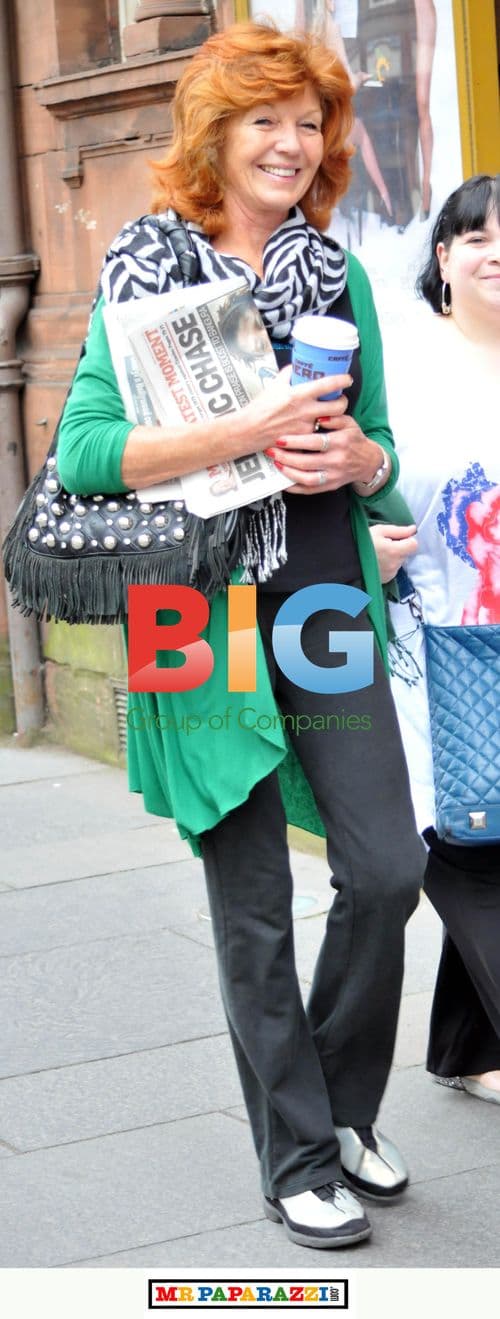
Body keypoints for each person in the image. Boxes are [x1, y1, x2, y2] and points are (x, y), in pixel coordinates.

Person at [57, 22, 424, 1249]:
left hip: (320, 586)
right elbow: (88, 452)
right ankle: (299, 1154)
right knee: (253, 893)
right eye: (262, 118)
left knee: (385, 867)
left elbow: (377, 457)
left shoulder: (335, 272)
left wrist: (360, 459)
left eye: (307, 121)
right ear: (210, 135)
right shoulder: (142, 265)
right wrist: (241, 431)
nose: (289, 141)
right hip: (193, 603)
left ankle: (335, 1099)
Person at [370, 174, 500, 1104]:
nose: (497, 252)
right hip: (442, 640)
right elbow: (351, 484)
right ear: (444, 257)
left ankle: (468, 1046)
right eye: (477, 236)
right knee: (470, 841)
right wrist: (359, 549)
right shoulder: (405, 366)